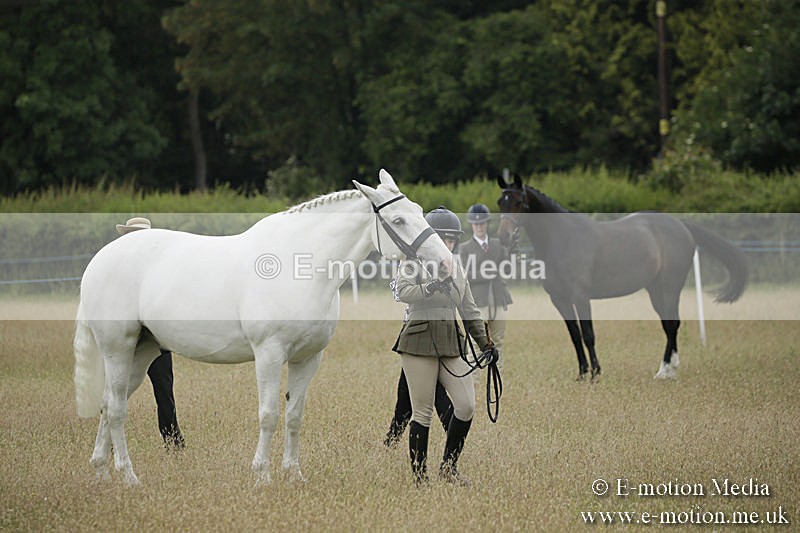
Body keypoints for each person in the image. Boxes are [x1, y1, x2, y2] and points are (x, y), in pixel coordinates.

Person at [390, 207, 497, 486]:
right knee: (422, 411)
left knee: (466, 406)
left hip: (451, 342)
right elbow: (402, 291)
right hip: (418, 341)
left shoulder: (458, 269)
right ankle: (420, 477)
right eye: (442, 238)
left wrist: (486, 343)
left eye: (451, 239)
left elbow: (470, 310)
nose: (447, 244)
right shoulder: (413, 264)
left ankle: (449, 467)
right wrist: (432, 285)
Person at [116, 217, 185, 449]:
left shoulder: (160, 268)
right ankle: (112, 440)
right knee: (117, 389)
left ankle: (173, 440)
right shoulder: (116, 267)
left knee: (164, 391)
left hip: (155, 337)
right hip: (127, 338)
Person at [459, 204, 513, 372]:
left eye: (482, 223)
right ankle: (472, 386)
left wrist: (511, 252)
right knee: (476, 346)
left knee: (498, 343)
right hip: (478, 302)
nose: (479, 227)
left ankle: (498, 381)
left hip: (499, 300)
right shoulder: (465, 248)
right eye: (476, 224)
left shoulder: (498, 245)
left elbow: (508, 270)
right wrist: (488, 272)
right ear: (472, 225)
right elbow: (466, 274)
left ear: (487, 224)